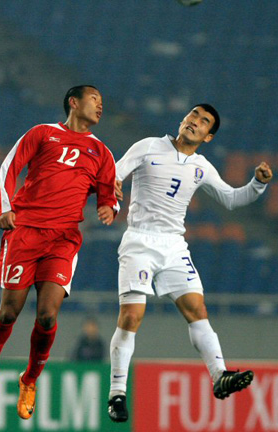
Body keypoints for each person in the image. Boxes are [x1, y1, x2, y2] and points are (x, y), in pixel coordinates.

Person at [107, 104, 273, 422]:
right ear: (183, 120)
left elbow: (231, 198)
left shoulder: (201, 166)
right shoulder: (148, 145)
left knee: (197, 310)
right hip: (140, 241)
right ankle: (117, 393)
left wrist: (257, 184)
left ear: (208, 137)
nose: (195, 121)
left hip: (173, 246)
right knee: (132, 315)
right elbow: (114, 173)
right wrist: (112, 198)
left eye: (204, 122)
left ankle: (219, 375)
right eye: (193, 115)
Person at [0, 85, 119, 420]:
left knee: (48, 315)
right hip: (25, 232)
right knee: (9, 312)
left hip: (64, 238)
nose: (100, 105)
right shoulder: (43, 133)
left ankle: (30, 379)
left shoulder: (101, 151)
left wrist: (109, 206)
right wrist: (5, 207)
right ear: (73, 102)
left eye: (102, 101)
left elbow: (110, 189)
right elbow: (8, 168)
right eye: (94, 99)